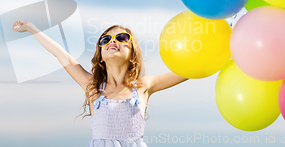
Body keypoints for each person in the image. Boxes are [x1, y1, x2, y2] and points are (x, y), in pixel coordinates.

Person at [12, 20, 189, 146]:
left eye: (121, 37)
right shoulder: (93, 87)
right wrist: (31, 27)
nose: (113, 41)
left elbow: (188, 70)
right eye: (105, 40)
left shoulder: (143, 86)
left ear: (133, 54)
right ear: (101, 57)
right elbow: (61, 54)